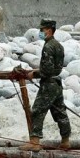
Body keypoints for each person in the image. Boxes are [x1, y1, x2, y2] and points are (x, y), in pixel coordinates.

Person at [26, 19, 70, 150]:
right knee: (60, 112)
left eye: (42, 30)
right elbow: (57, 68)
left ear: (49, 30)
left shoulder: (48, 46)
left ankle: (34, 142)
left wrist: (34, 74)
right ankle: (66, 140)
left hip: (49, 84)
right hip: (57, 83)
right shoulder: (59, 46)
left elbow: (47, 70)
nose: (40, 32)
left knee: (37, 111)